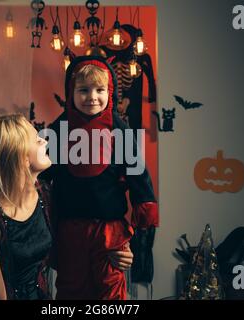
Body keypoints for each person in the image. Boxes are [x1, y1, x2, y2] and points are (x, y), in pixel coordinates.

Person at [0, 114, 133, 300]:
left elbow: (80, 234)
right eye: (36, 139)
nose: (44, 141)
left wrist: (115, 250)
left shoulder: (45, 195)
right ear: (20, 156)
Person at [39, 55, 159, 300]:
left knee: (111, 291)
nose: (92, 97)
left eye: (99, 90)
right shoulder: (59, 128)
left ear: (110, 92)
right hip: (70, 227)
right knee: (71, 288)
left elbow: (137, 173)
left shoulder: (120, 130)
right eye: (83, 90)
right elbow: (43, 173)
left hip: (109, 228)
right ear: (70, 93)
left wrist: (144, 206)